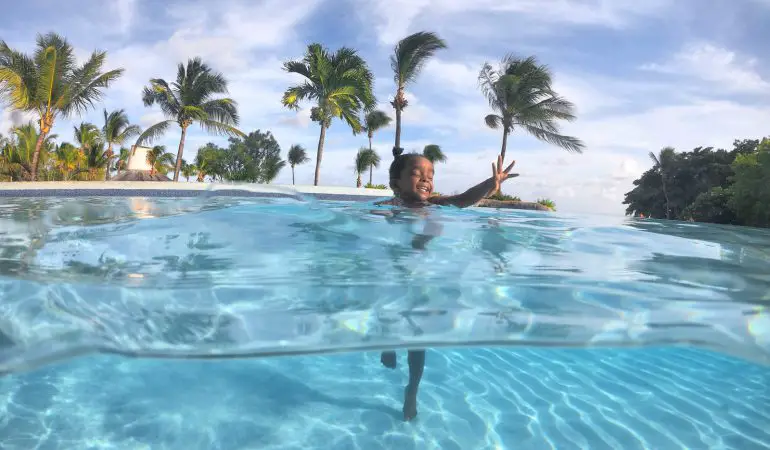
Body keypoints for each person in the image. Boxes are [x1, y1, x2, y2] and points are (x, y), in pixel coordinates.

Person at [375, 147, 518, 421]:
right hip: (392, 277)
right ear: (395, 184)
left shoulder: (435, 205)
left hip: (420, 280)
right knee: (388, 313)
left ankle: (412, 390)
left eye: (431, 175)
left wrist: (491, 183)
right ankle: (387, 342)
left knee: (419, 337)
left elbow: (464, 199)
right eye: (417, 174)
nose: (426, 180)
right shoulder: (388, 208)